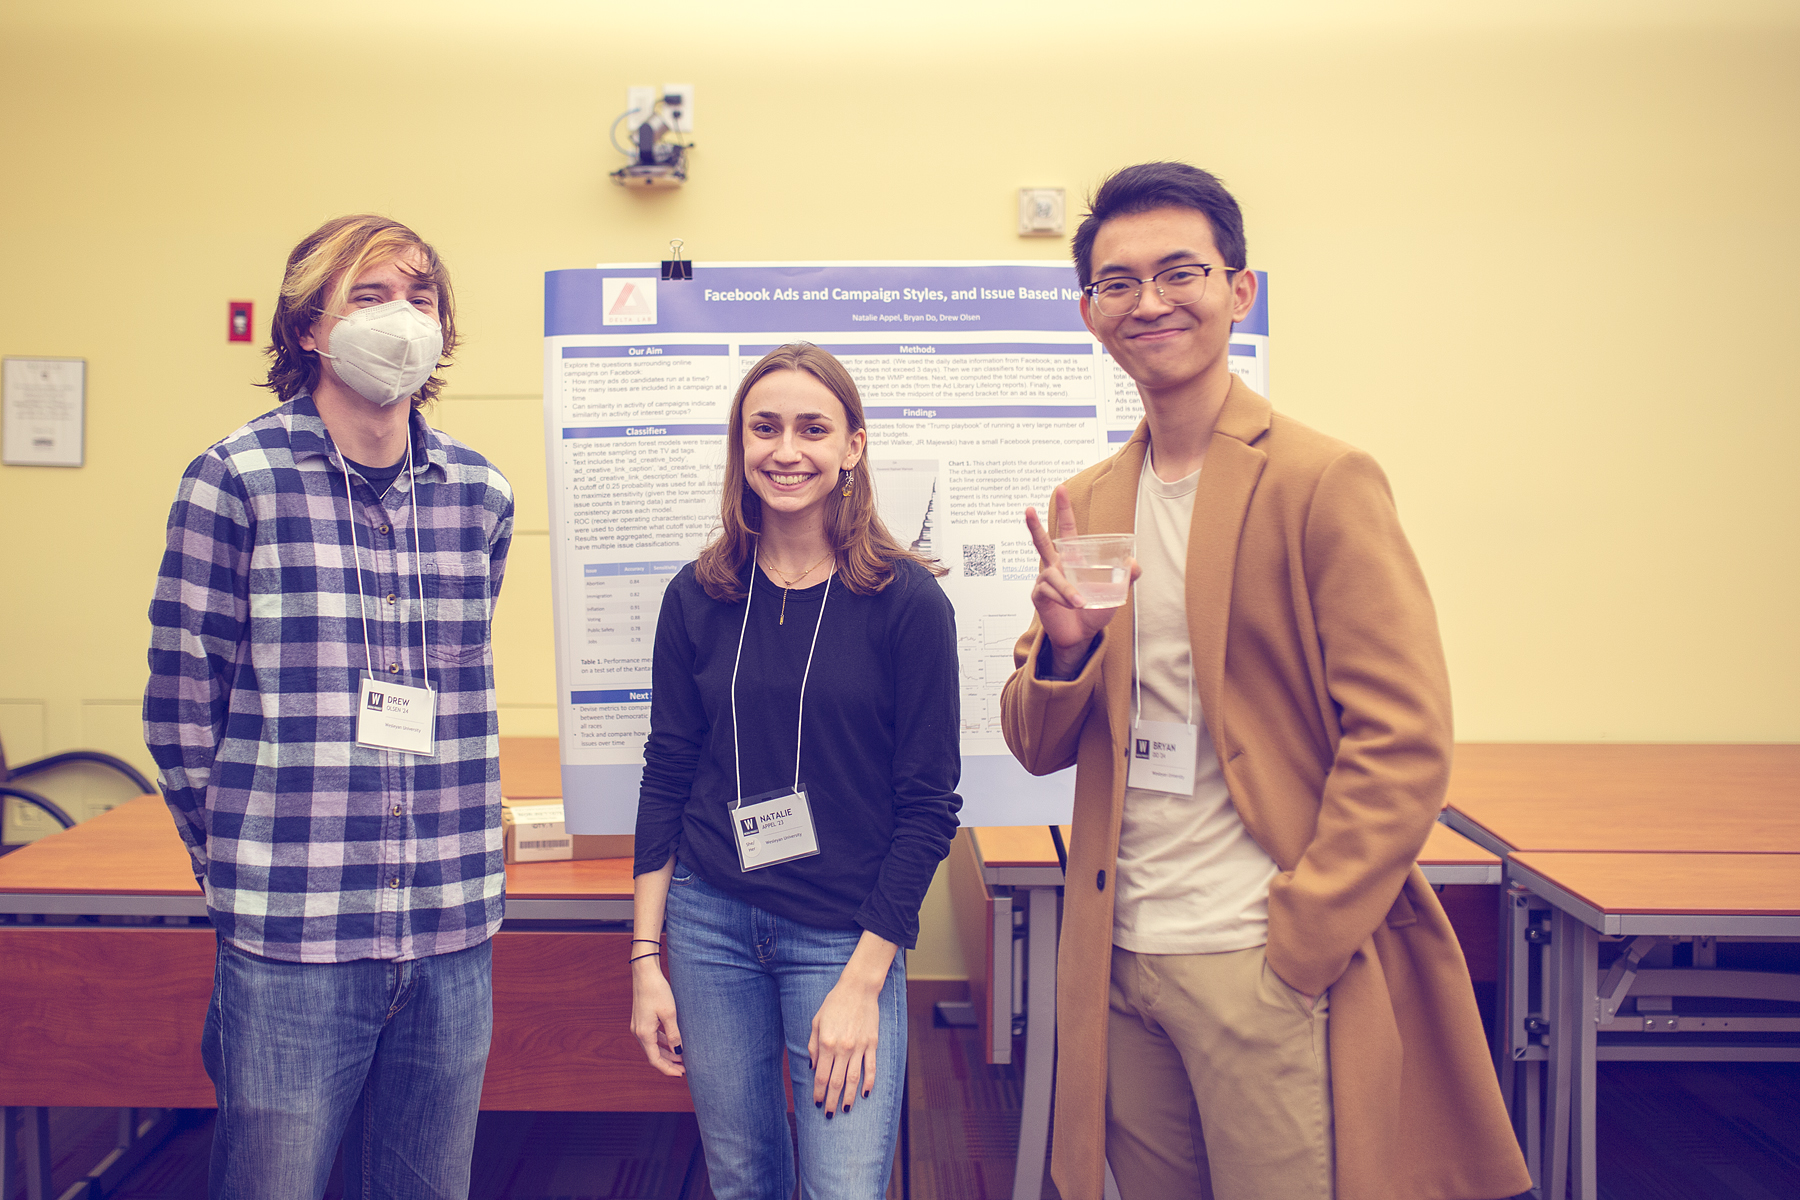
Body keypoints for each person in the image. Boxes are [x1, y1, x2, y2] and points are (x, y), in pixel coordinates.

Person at [1001, 163, 1530, 1200]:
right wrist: (1064, 650)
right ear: (1090, 314)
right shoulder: (1091, 497)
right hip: (1122, 958)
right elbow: (1035, 740)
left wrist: (1301, 942)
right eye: (1119, 283)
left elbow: (1405, 742)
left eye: (1179, 272)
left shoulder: (1320, 481)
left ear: (1240, 291)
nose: (1149, 301)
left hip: (1258, 954)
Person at [144, 214, 514, 1200]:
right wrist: (240, 864)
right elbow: (182, 715)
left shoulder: (480, 495)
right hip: (292, 934)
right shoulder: (235, 480)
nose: (402, 317)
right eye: (370, 294)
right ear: (308, 325)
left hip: (449, 925)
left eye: (420, 295)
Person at [630, 343, 961, 1200]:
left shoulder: (908, 603)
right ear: (740, 446)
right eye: (764, 428)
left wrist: (864, 980)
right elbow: (667, 772)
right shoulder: (698, 595)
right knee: (744, 1181)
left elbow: (928, 807)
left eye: (813, 428)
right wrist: (644, 957)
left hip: (843, 937)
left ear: (853, 446)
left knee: (843, 1188)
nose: (787, 450)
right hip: (710, 928)